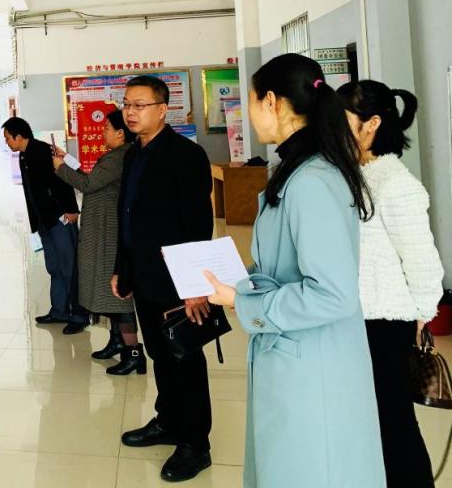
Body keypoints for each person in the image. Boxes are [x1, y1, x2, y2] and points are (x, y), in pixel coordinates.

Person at [204, 54, 385, 487]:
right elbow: (285, 264)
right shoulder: (298, 169)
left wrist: (243, 301)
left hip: (313, 367)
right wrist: (235, 282)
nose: (249, 112)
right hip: (298, 354)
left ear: (272, 101)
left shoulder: (311, 181)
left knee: (311, 470)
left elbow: (333, 294)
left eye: (250, 100)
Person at [338, 80, 443, 487]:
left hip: (386, 321)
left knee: (394, 423)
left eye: (342, 121)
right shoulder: (357, 175)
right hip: (358, 318)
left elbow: (422, 259)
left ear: (372, 124)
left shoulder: (397, 184)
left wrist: (422, 313)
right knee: (370, 421)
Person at [111, 75, 214, 482]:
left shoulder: (186, 155)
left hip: (177, 280)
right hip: (144, 275)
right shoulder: (132, 155)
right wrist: (122, 268)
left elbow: (198, 224)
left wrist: (195, 286)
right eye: (126, 104)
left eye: (140, 105)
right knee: (158, 352)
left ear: (162, 110)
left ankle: (196, 444)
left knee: (185, 357)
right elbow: (127, 216)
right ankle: (168, 420)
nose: (130, 112)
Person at [52, 108, 145, 374]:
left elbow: (88, 184)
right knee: (108, 292)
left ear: (120, 133)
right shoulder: (119, 155)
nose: (102, 132)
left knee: (118, 296)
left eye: (106, 128)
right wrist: (67, 160)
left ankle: (134, 352)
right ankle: (117, 341)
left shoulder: (120, 156)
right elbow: (94, 178)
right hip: (103, 232)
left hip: (109, 235)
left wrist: (59, 168)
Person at [3, 116, 87, 333]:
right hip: (44, 222)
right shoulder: (23, 155)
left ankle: (79, 315)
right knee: (54, 267)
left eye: (7, 138)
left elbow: (62, 182)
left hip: (61, 218)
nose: (6, 142)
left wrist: (71, 210)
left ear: (18, 136)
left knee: (70, 267)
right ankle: (59, 310)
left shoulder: (43, 151)